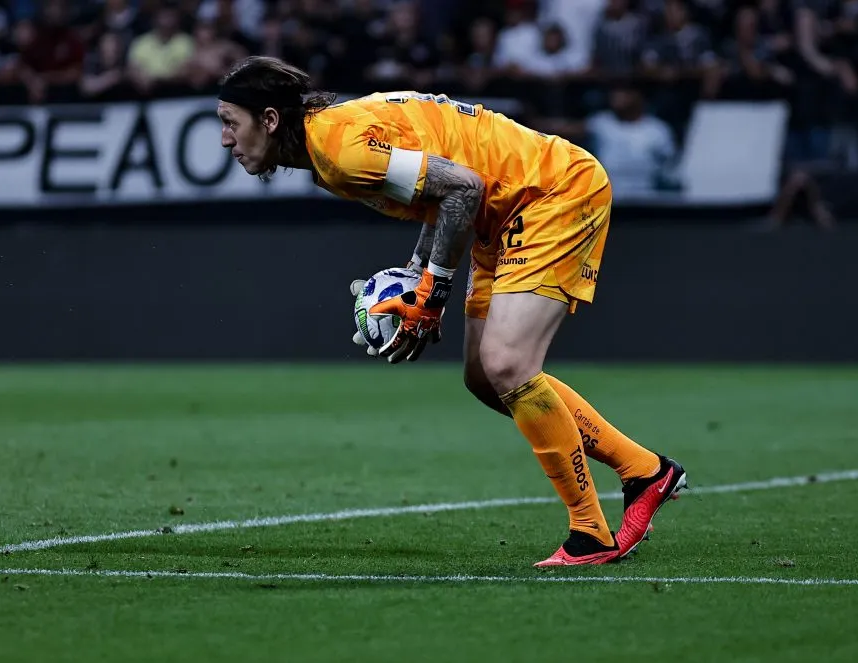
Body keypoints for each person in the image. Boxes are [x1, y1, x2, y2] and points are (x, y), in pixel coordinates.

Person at [215, 55, 687, 567]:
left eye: (229, 123)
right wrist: (421, 273)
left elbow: (464, 187)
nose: (225, 140)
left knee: (508, 364)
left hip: (550, 191)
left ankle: (590, 532)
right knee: (485, 376)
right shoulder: (329, 145)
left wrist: (433, 290)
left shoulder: (339, 149)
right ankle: (645, 471)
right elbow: (444, 194)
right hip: (502, 212)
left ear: (268, 119)